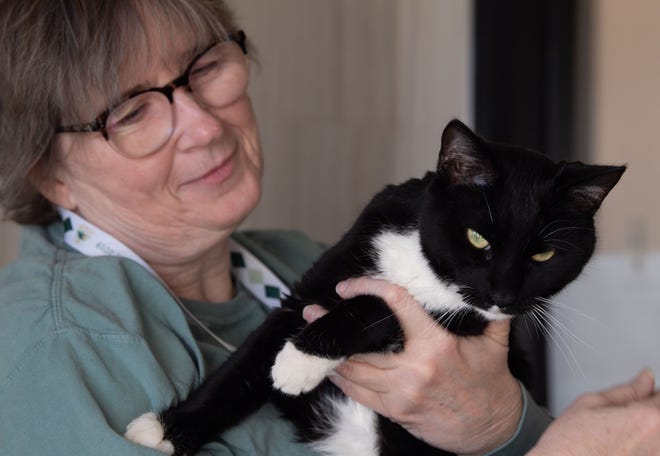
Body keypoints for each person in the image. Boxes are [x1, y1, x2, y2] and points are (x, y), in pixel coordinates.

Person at [0, 0, 658, 454]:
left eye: (204, 69)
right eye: (130, 114)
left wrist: (501, 425)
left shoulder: (297, 261)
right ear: (48, 173)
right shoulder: (45, 345)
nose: (203, 126)